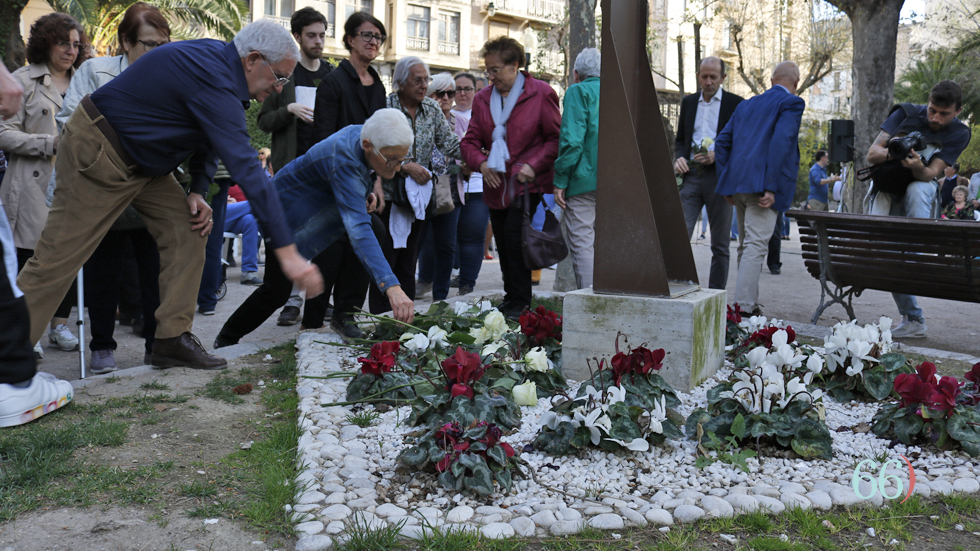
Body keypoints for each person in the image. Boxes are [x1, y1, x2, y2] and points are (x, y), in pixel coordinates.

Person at [17, 19, 324, 370]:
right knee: (58, 259)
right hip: (101, 149)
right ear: (253, 59)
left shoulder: (226, 74)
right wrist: (288, 253)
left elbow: (209, 137)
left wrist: (196, 189)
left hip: (145, 165)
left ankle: (170, 340)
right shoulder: (212, 71)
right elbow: (247, 169)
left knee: (189, 228)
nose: (281, 88)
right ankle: (8, 356)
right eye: (280, 77)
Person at [215, 109, 415, 346]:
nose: (398, 166)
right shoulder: (345, 159)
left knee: (376, 227)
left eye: (402, 159)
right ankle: (226, 339)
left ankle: (344, 315)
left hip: (322, 211)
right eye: (392, 159)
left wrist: (366, 191)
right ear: (368, 145)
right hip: (286, 216)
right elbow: (359, 230)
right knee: (275, 292)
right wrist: (391, 286)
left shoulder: (365, 136)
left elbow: (358, 177)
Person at [52, 2, 170, 372]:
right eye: (149, 44)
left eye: (163, 44)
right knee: (103, 271)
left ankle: (157, 344)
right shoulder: (94, 70)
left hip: (150, 185)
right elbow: (66, 121)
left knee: (155, 273)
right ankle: (102, 345)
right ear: (125, 42)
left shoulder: (170, 74)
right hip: (103, 187)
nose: (156, 52)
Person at [294, 11, 389, 336]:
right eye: (367, 35)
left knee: (368, 237)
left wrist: (376, 183)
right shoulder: (334, 82)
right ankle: (312, 321)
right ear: (350, 40)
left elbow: (381, 142)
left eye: (378, 37)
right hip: (332, 181)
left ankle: (346, 314)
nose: (373, 42)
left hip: (364, 183)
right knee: (330, 249)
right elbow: (322, 138)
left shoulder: (378, 85)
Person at [1, 13, 87, 356]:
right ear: (45, 42)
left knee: (67, 256)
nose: (70, 50)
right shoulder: (21, 80)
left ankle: (60, 325)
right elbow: (4, 133)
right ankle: (27, 330)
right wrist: (48, 144)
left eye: (76, 44)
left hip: (74, 182)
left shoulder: (87, 81)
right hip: (30, 184)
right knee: (29, 259)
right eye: (63, 42)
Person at [461, 37, 561, 319]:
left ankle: (521, 304)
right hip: (496, 185)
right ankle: (512, 298)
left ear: (515, 66)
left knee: (519, 242)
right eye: (488, 70)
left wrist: (532, 164)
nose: (490, 77)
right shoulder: (482, 99)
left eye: (495, 70)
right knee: (504, 245)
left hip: (529, 183)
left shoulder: (541, 93)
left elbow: (555, 139)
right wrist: (481, 164)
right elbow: (469, 142)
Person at [865, 80, 971, 339]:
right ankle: (913, 318)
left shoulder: (959, 132)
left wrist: (915, 165)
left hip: (920, 195)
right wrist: (897, 153)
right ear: (928, 101)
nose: (935, 118)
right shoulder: (905, 113)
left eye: (944, 114)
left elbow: (931, 174)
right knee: (888, 257)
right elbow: (872, 154)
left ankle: (916, 245)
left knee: (919, 187)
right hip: (888, 191)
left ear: (957, 111)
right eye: (932, 110)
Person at [256, 7, 334, 328]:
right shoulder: (285, 73)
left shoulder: (332, 74)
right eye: (311, 35)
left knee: (324, 234)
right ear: (298, 36)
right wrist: (287, 108)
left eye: (321, 35)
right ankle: (289, 301)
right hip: (292, 170)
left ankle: (319, 299)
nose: (318, 41)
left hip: (325, 170)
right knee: (291, 233)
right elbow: (263, 122)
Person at [368, 56, 461, 315]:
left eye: (426, 80)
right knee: (386, 258)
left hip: (416, 199)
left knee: (409, 261)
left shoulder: (431, 109)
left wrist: (478, 154)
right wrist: (405, 166)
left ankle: (404, 321)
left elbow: (450, 144)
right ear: (400, 82)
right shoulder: (386, 107)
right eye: (417, 80)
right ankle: (379, 318)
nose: (423, 85)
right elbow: (371, 146)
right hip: (386, 195)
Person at [715, 61, 805, 316]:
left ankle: (749, 306)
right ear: (796, 83)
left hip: (738, 186)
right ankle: (742, 310)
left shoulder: (746, 104)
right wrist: (771, 186)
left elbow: (721, 143)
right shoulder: (792, 103)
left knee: (747, 246)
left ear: (772, 80)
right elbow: (781, 141)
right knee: (755, 246)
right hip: (763, 188)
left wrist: (726, 185)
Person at [673, 57, 745, 290]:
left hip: (720, 179)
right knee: (679, 238)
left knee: (721, 244)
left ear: (723, 78)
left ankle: (715, 296)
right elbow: (681, 141)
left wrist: (718, 155)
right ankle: (680, 288)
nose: (708, 81)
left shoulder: (736, 104)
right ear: (698, 76)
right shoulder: (689, 103)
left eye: (713, 77)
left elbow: (742, 144)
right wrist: (680, 158)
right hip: (691, 177)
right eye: (704, 76)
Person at [553, 47, 601, 291]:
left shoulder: (578, 91)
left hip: (583, 180)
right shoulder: (616, 92)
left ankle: (592, 303)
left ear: (575, 74)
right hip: (617, 180)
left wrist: (560, 178)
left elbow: (573, 141)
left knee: (582, 243)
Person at [416, 72, 461, 301]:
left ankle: (440, 298)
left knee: (446, 247)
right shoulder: (419, 118)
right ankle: (406, 290)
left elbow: (464, 150)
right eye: (439, 93)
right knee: (417, 243)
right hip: (420, 189)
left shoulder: (460, 122)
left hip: (449, 192)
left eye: (450, 93)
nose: (445, 97)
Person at [451, 72, 489, 296]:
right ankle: (431, 280)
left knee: (473, 237)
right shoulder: (444, 115)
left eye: (467, 89)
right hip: (451, 187)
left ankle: (467, 283)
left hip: (477, 186)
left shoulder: (485, 116)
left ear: (476, 91)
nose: (462, 93)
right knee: (444, 240)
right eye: (457, 89)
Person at [225, 184, 263, 285]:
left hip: (231, 214)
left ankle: (248, 273)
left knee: (250, 220)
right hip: (213, 211)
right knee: (255, 204)